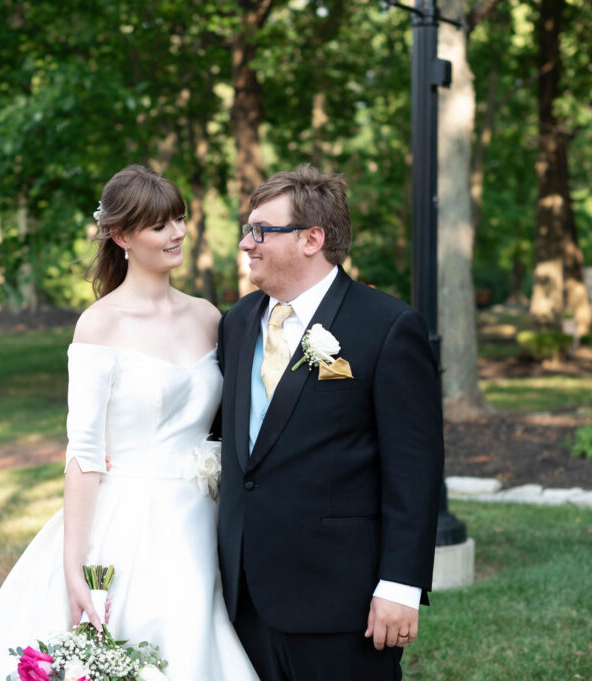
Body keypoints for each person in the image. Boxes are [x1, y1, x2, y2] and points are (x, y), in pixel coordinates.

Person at [0, 165, 259, 681]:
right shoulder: (100, 325)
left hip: (202, 519)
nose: (178, 233)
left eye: (180, 219)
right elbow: (85, 452)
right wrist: (74, 565)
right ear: (121, 237)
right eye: (160, 225)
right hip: (129, 518)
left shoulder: (209, 315)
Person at [215, 164, 445, 681]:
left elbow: (415, 471)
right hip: (243, 594)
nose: (246, 244)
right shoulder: (237, 322)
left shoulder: (387, 327)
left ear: (311, 239)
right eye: (247, 230)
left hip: (341, 601)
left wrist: (400, 586)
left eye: (260, 231)